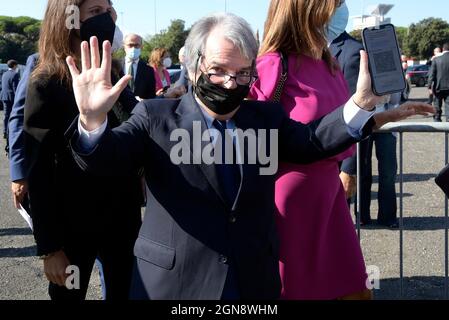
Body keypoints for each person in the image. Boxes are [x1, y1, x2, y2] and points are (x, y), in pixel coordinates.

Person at [64, 13, 432, 300]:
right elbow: (103, 163)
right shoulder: (156, 117)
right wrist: (92, 121)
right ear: (193, 68)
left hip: (253, 281)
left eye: (242, 74)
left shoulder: (264, 117)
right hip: (176, 284)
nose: (230, 83)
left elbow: (312, 141)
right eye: (219, 71)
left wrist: (362, 104)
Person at [249, 0, 374, 299]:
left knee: (351, 284)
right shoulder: (273, 64)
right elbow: (255, 137)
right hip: (289, 200)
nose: (341, 10)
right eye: (336, 3)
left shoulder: (328, 62)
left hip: (329, 195)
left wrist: (382, 114)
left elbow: (340, 125)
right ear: (305, 10)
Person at [24, 0, 142, 300]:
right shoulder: (47, 83)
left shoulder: (113, 75)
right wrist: (49, 248)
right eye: (95, 12)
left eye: (109, 11)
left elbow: (139, 126)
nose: (106, 19)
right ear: (69, 19)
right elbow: (38, 170)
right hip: (71, 228)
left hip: (122, 222)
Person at [330, 29, 364, 201]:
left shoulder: (352, 51)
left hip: (335, 159)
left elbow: (355, 113)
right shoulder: (301, 48)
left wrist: (348, 169)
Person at [359, 93, 401, 228]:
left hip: (386, 123)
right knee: (361, 170)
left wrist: (392, 119)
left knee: (388, 172)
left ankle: (387, 216)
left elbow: (395, 98)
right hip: (360, 120)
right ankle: (362, 215)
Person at [8, 54, 38, 210]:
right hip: (51, 172)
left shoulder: (108, 63)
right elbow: (19, 117)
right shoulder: (39, 61)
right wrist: (19, 174)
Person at [122, 33, 156, 101]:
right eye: (130, 45)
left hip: (139, 109)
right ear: (124, 47)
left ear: (141, 47)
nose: (133, 48)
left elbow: (151, 96)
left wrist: (143, 101)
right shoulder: (115, 66)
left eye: (137, 45)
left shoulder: (149, 70)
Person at [428, 43, 449, 122]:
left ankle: (437, 120)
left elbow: (432, 74)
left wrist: (429, 86)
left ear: (443, 49)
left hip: (438, 87)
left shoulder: (436, 59)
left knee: (437, 105)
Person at [1, 59, 20, 141]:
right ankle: (11, 131)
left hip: (4, 96)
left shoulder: (4, 74)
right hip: (12, 97)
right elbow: (15, 88)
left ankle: (5, 131)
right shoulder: (15, 74)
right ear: (14, 65)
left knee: (6, 115)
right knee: (13, 115)